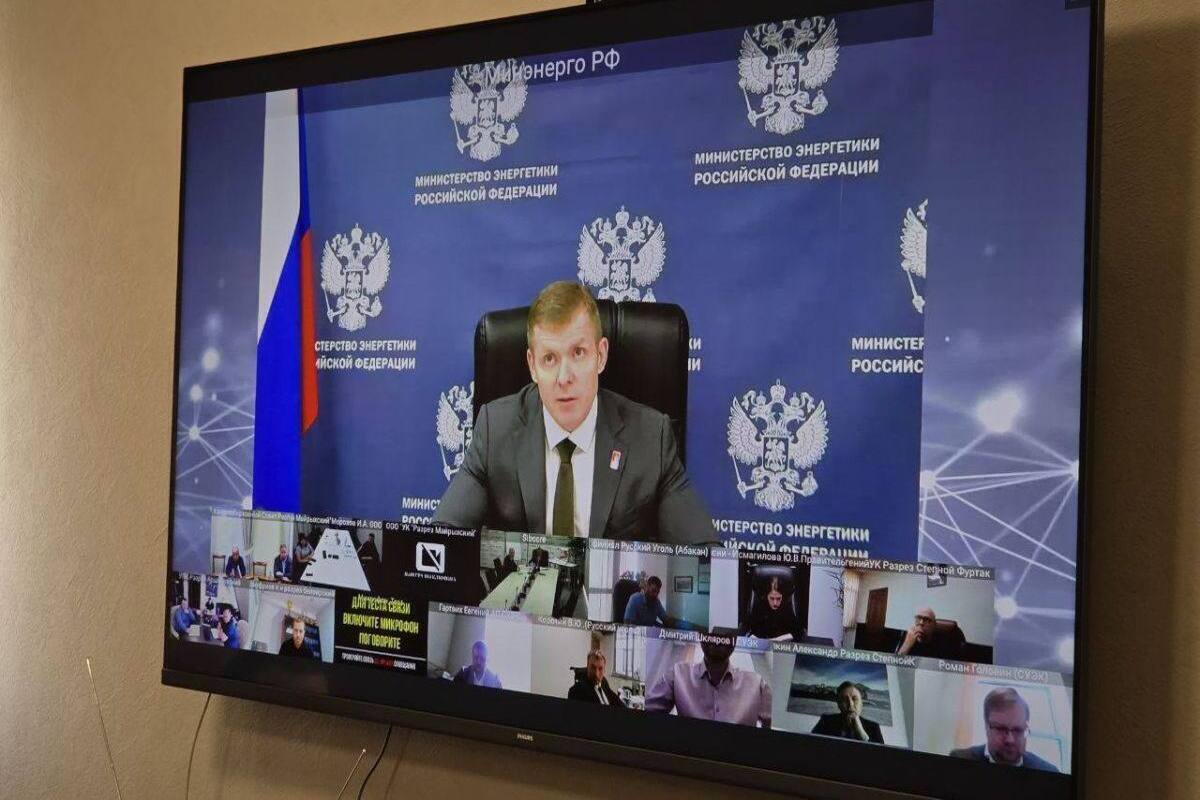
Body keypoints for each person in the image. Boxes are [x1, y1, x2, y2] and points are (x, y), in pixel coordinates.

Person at [434, 281, 712, 543]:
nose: (564, 377)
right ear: (532, 366)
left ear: (600, 355)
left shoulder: (651, 438)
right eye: (549, 359)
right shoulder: (495, 429)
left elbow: (705, 556)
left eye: (578, 353)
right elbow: (441, 541)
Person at [645, 632, 771, 727]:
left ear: (736, 636)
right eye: (710, 627)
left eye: (725, 628)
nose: (718, 634)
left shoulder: (757, 685)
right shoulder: (677, 674)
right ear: (700, 634)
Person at [950, 688, 1060, 771]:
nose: (1010, 740)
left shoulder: (1048, 771)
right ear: (986, 726)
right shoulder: (960, 760)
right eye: (1001, 729)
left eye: (1018, 730)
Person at [811, 681, 885, 744]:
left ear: (861, 703)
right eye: (844, 699)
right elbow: (811, 747)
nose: (850, 704)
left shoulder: (873, 727)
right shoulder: (825, 721)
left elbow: (880, 755)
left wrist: (862, 734)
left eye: (854, 699)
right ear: (838, 704)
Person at [895, 607, 964, 659]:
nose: (921, 623)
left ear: (934, 625)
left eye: (926, 620)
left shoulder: (944, 641)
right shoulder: (908, 636)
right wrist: (906, 645)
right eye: (918, 618)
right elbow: (896, 664)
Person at [743, 576, 798, 641]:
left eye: (778, 598)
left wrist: (778, 639)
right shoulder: (758, 607)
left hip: (781, 645)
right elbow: (747, 631)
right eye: (772, 598)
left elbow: (797, 633)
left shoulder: (788, 609)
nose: (775, 603)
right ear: (766, 596)